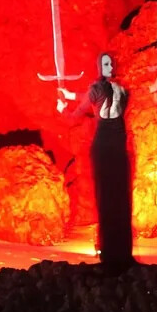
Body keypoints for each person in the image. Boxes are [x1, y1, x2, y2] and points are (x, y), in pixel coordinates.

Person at [57, 52, 135, 270]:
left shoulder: (117, 89)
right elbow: (85, 105)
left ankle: (119, 253)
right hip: (105, 147)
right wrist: (67, 103)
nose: (110, 67)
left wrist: (66, 104)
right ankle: (110, 252)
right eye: (105, 64)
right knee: (108, 198)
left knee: (119, 198)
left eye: (111, 63)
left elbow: (91, 99)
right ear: (100, 67)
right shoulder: (113, 90)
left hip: (116, 147)